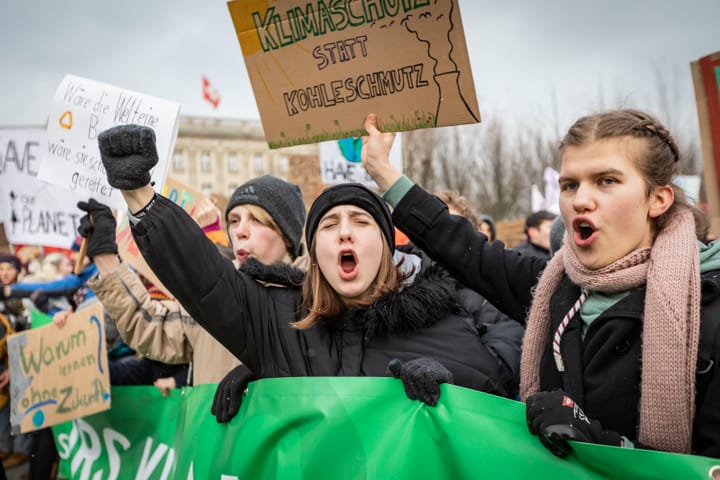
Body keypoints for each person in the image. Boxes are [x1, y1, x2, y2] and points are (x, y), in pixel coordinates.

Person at [361, 110, 720, 458]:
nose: (580, 199)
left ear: (658, 199)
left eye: (607, 181)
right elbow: (464, 250)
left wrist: (604, 448)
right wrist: (383, 171)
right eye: (570, 185)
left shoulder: (709, 310)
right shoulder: (553, 288)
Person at [95, 124, 516, 410]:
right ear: (315, 252)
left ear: (386, 248)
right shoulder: (278, 320)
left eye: (361, 222)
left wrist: (451, 388)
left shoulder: (441, 320)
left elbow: (496, 392)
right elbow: (204, 276)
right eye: (330, 225)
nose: (345, 233)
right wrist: (140, 197)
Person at [77, 174, 307, 389]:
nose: (240, 231)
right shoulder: (214, 296)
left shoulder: (320, 300)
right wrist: (105, 254)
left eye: (257, 220)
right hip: (216, 432)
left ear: (287, 235)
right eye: (234, 220)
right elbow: (149, 324)